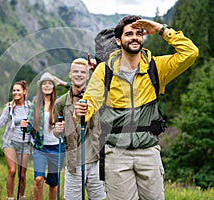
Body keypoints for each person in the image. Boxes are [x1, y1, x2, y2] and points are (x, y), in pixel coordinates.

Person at [75, 15, 199, 200]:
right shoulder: (105, 70)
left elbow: (190, 53)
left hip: (148, 151)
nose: (134, 37)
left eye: (139, 33)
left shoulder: (156, 67)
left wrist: (160, 29)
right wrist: (82, 112)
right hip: (116, 152)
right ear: (118, 40)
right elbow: (91, 100)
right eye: (129, 34)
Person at [53, 58, 106, 199]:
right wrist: (57, 130)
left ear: (88, 75)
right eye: (75, 71)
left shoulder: (97, 98)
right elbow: (56, 132)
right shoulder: (61, 103)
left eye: (83, 72)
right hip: (74, 163)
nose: (79, 74)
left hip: (96, 160)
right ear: (70, 74)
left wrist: (97, 68)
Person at [0, 80, 31, 200]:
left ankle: (21, 196)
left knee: (22, 175)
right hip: (10, 142)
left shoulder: (30, 106)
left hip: (25, 142)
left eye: (18, 90)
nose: (15, 92)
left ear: (24, 92)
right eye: (14, 90)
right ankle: (10, 198)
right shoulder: (9, 107)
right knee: (12, 171)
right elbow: (0, 122)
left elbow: (36, 123)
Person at [20, 72, 65, 200]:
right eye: (44, 83)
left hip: (57, 148)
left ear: (53, 86)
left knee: (53, 183)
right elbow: (29, 122)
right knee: (38, 180)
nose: (47, 85)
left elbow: (77, 91)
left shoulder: (60, 101)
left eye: (50, 83)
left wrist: (64, 83)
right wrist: (25, 125)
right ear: (41, 86)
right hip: (40, 147)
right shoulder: (36, 101)